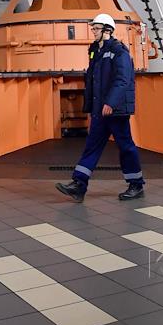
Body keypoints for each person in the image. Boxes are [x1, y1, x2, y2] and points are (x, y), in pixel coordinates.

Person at [55, 14, 145, 202]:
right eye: (93, 28)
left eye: (96, 28)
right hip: (100, 110)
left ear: (107, 30)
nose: (93, 31)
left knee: (126, 146)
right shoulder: (95, 51)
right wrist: (95, 105)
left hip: (116, 110)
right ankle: (79, 185)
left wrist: (110, 103)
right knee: (92, 146)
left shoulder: (119, 52)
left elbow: (123, 80)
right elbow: (94, 80)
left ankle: (136, 185)